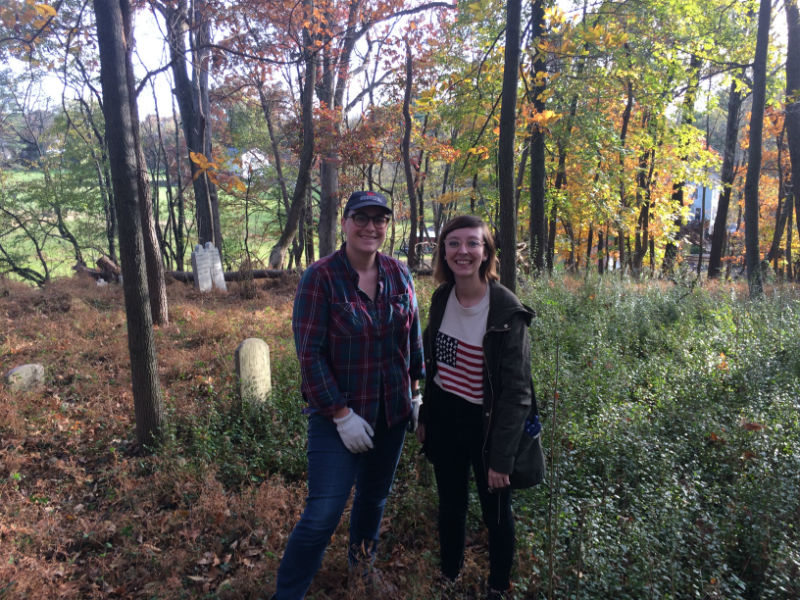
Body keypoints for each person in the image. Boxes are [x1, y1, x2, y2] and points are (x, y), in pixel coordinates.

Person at [271, 190, 425, 600]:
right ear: (345, 223)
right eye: (362, 217)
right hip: (335, 418)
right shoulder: (320, 278)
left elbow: (412, 339)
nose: (371, 227)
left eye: (380, 219)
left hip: (391, 412)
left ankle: (363, 570)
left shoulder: (399, 274)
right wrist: (341, 413)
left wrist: (415, 393)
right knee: (324, 512)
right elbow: (310, 354)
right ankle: (288, 594)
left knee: (373, 499)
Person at [417, 215, 540, 600]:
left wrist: (501, 458)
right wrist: (424, 414)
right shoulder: (442, 298)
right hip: (445, 420)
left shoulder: (506, 311)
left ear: (486, 252)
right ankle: (450, 575)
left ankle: (498, 586)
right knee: (450, 506)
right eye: (453, 244)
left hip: (488, 428)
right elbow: (433, 364)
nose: (463, 252)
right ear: (444, 253)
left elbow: (517, 393)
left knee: (497, 515)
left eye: (473, 243)